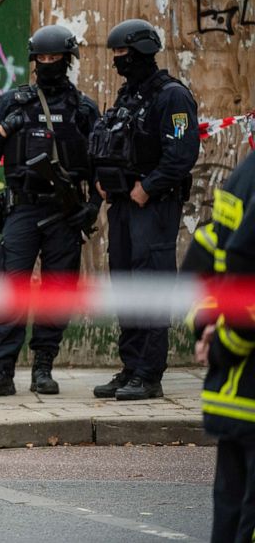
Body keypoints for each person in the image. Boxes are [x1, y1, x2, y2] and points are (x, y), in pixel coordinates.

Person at [0, 25, 100, 399]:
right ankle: (1, 373)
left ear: (67, 60)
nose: (47, 64)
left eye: (54, 58)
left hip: (64, 212)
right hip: (22, 209)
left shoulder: (83, 109)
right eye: (41, 59)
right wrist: (7, 130)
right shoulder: (15, 103)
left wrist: (92, 207)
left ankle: (44, 367)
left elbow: (102, 164)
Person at [90, 19, 200, 401]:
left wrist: (147, 188)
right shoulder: (128, 96)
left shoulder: (172, 97)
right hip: (122, 204)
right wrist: (103, 180)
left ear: (143, 52)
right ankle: (131, 367)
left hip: (153, 207)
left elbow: (181, 155)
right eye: (116, 54)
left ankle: (150, 374)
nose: (119, 60)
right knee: (126, 287)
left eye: (124, 54)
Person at [182, 151, 255, 542]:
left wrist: (207, 323)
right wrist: (227, 340)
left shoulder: (245, 171)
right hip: (246, 382)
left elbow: (204, 256)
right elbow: (244, 259)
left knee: (230, 517)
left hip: (233, 395)